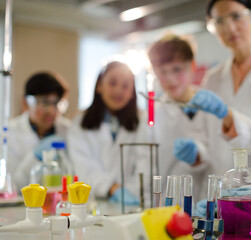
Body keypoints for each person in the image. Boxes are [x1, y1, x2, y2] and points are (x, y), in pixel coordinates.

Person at [176, 0, 251, 199]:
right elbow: (204, 135)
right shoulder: (213, 77)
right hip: (217, 192)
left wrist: (230, 116)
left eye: (236, 17)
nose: (229, 27)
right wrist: (196, 152)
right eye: (219, 22)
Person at [67, 61, 149, 205]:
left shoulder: (141, 123)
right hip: (92, 201)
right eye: (112, 83)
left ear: (131, 93)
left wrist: (130, 190)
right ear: (99, 85)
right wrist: (111, 188)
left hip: (131, 200)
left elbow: (144, 164)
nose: (118, 90)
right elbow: (82, 165)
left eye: (125, 86)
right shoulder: (80, 123)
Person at [147, 33, 209, 202]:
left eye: (177, 69)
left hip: (209, 202)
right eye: (162, 72)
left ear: (192, 66)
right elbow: (148, 165)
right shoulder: (154, 114)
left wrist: (199, 154)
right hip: (168, 204)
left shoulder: (210, 106)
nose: (170, 79)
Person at [7, 72, 71, 189]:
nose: (51, 111)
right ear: (25, 103)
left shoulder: (68, 130)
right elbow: (11, 184)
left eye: (55, 103)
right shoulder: (9, 132)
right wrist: (34, 156)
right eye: (44, 102)